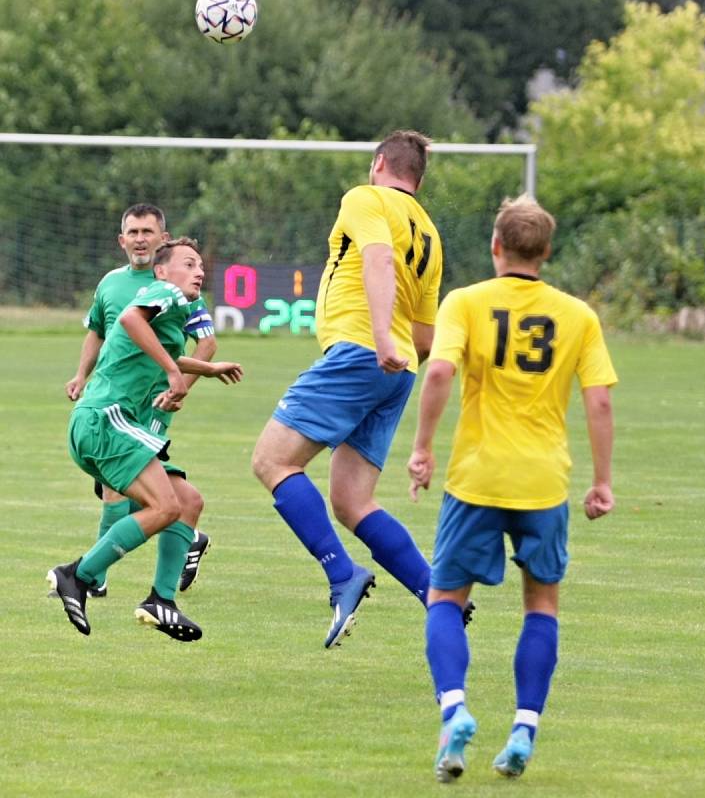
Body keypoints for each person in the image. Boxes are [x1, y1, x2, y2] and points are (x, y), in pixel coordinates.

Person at [407, 195, 617, 782]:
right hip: (544, 482)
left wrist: (422, 448)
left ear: (495, 246)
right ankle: (525, 726)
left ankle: (454, 711)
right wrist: (602, 482)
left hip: (476, 476)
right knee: (541, 605)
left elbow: (442, 369)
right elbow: (598, 398)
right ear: (546, 253)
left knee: (446, 599)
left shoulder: (467, 302)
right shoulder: (577, 315)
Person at [252, 130, 444, 649]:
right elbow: (426, 334)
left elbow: (377, 261)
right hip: (398, 371)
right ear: (418, 180)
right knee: (352, 500)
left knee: (272, 461)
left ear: (379, 163)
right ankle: (437, 597)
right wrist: (396, 354)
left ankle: (343, 576)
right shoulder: (429, 231)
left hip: (363, 352)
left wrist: (379, 339)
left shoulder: (365, 198)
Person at [48, 238, 243, 641]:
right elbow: (129, 323)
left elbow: (154, 345)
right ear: (162, 271)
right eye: (188, 264)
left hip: (105, 425)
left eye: (200, 266)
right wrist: (175, 374)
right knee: (165, 505)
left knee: (187, 502)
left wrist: (204, 369)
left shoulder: (172, 309)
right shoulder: (163, 292)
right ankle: (78, 575)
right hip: (105, 419)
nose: (198, 271)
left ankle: (162, 601)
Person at [65, 204, 215, 597]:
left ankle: (89, 578)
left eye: (148, 231)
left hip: (145, 406)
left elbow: (206, 342)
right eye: (133, 232)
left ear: (162, 239)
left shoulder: (178, 286)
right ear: (122, 240)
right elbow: (100, 331)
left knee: (133, 492)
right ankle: (174, 542)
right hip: (113, 401)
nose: (140, 238)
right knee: (136, 493)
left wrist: (179, 385)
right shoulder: (111, 284)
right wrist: (82, 374)